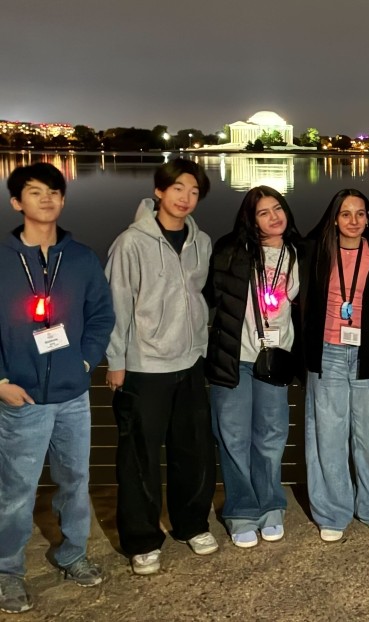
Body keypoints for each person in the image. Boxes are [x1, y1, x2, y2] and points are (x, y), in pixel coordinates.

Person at [0, 163, 114, 614]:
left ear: (63, 201)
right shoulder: (3, 261)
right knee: (16, 488)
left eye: (54, 192)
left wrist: (85, 360)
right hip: (20, 397)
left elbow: (102, 315)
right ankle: (8, 571)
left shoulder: (82, 258)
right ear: (16, 202)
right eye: (34, 192)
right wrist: (1, 382)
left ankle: (73, 553)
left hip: (72, 393)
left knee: (75, 480)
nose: (46, 199)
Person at [105, 158, 218, 575]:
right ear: (159, 192)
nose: (185, 198)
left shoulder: (199, 241)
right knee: (139, 458)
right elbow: (116, 306)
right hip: (144, 365)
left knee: (194, 450)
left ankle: (191, 525)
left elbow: (198, 295)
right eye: (177, 189)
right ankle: (142, 539)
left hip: (190, 360)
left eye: (193, 191)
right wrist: (116, 362)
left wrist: (201, 344)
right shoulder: (131, 242)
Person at [204, 186, 302, 548]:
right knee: (232, 437)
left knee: (272, 436)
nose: (274, 217)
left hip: (274, 358)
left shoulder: (295, 254)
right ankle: (241, 510)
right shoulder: (232, 252)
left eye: (278, 209)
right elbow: (207, 297)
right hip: (234, 357)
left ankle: (270, 505)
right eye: (264, 212)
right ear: (250, 219)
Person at [301, 188, 369, 542]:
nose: (354, 221)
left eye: (360, 213)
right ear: (334, 218)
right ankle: (332, 511)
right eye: (346, 214)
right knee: (327, 436)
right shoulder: (314, 252)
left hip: (368, 354)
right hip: (326, 352)